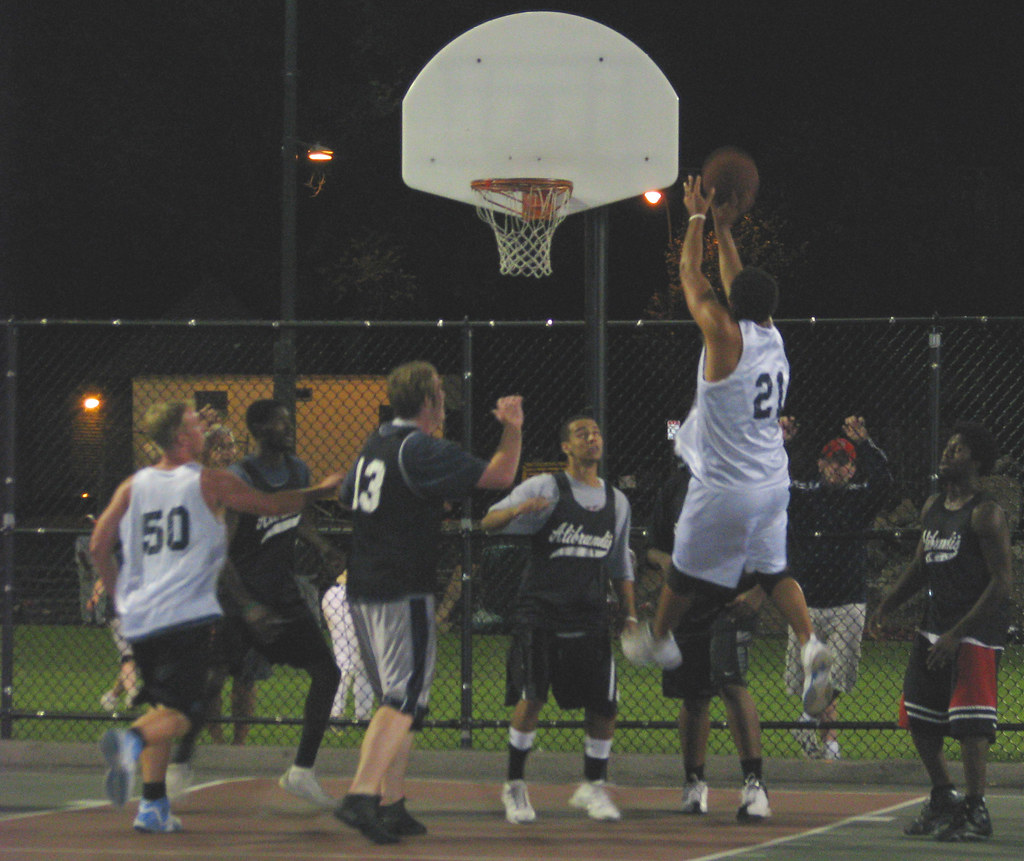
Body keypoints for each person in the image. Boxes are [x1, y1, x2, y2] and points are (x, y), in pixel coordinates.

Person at [622, 175, 833, 724]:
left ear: (734, 304)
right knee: (772, 570)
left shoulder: (723, 335)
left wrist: (695, 217)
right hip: (772, 484)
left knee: (685, 573)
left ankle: (660, 638)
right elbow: (738, 283)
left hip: (724, 486)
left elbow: (692, 276)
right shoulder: (772, 336)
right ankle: (809, 642)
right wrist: (724, 230)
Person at [90, 401, 340, 833]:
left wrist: (118, 594)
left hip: (142, 616)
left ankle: (153, 806)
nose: (206, 428)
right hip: (185, 612)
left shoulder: (134, 484)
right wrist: (321, 491)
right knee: (185, 710)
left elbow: (97, 548)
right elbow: (268, 505)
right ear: (183, 438)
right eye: (196, 424)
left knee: (167, 705)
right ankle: (129, 744)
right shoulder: (211, 482)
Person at [334, 361, 523, 845]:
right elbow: (501, 476)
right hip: (403, 588)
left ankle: (392, 804)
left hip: (363, 586)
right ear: (427, 402)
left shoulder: (375, 444)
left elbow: (345, 496)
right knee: (404, 697)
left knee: (398, 703)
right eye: (441, 392)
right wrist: (513, 428)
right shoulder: (419, 448)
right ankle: (361, 795)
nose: (446, 400)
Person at [481, 415, 636, 825]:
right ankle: (514, 783)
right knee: (532, 697)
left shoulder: (617, 501)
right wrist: (518, 510)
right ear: (566, 446)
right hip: (541, 612)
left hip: (590, 615)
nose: (592, 438)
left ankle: (593, 785)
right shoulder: (546, 487)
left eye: (597, 432)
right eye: (582, 433)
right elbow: (487, 521)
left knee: (605, 704)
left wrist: (631, 612)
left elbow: (621, 564)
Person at [869, 421, 1012, 843]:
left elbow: (1002, 582)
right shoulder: (933, 505)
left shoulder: (986, 513)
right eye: (948, 446)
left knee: (970, 726)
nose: (948, 453)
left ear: (978, 461)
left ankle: (976, 809)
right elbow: (920, 565)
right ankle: (943, 795)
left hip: (974, 633)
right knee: (918, 716)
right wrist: (887, 604)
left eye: (959, 449)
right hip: (933, 628)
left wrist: (957, 633)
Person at [646, 462, 771, 821]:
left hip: (732, 601)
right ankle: (694, 783)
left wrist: (761, 591)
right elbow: (653, 546)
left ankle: (754, 785)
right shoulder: (675, 486)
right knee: (695, 696)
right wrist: (664, 560)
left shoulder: (746, 479)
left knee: (731, 682)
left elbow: (776, 543)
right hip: (687, 603)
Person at [783, 415, 893, 760]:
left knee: (835, 677)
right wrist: (779, 444)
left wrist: (864, 443)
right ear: (820, 464)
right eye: (832, 460)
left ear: (852, 469)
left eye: (844, 462)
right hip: (807, 602)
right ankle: (828, 741)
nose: (837, 468)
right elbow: (771, 484)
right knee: (813, 675)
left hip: (848, 600)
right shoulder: (805, 496)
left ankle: (809, 722)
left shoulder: (859, 498)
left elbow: (885, 482)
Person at [321, 570, 374, 722]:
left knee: (357, 663)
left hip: (341, 595)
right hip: (349, 595)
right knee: (349, 663)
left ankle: (356, 717)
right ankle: (337, 715)